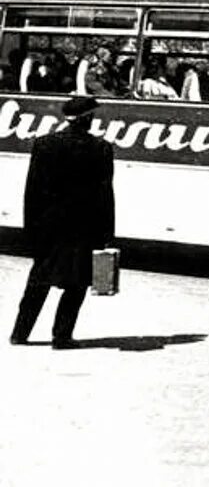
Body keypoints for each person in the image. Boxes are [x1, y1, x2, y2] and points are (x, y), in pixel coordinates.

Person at [9, 96, 115, 349]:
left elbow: (32, 191)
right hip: (83, 228)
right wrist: (107, 234)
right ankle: (62, 336)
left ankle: (20, 333)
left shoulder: (44, 144)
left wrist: (30, 231)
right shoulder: (101, 148)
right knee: (77, 284)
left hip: (48, 227)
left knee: (38, 282)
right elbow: (105, 196)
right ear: (87, 118)